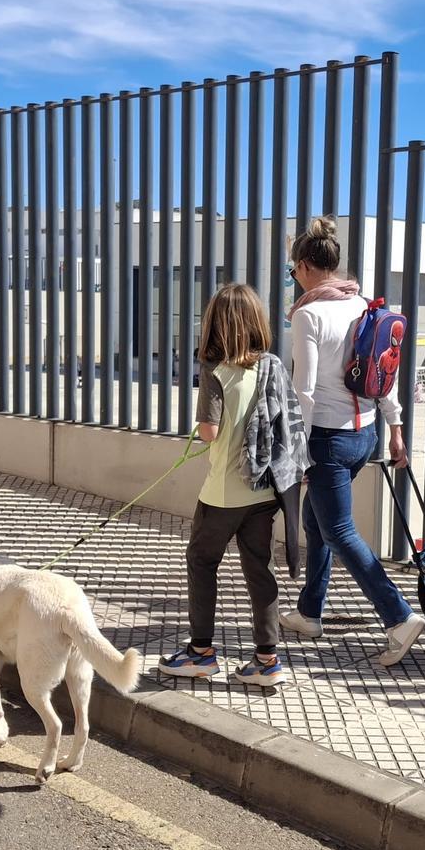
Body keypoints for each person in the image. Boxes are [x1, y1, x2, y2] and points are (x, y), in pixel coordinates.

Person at [280, 215, 425, 667]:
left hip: (326, 438)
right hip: (365, 434)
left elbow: (303, 391)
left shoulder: (308, 314)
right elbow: (385, 371)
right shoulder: (363, 305)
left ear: (305, 266)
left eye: (292, 270)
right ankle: (310, 612)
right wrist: (396, 428)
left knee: (339, 530)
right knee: (317, 521)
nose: (294, 278)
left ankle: (399, 617)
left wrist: (297, 450)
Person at [158, 283, 299, 688]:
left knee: (202, 561)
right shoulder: (271, 365)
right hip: (265, 488)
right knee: (259, 568)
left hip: (223, 492)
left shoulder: (214, 371)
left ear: (215, 325)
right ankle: (267, 660)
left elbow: (210, 432)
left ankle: (201, 652)